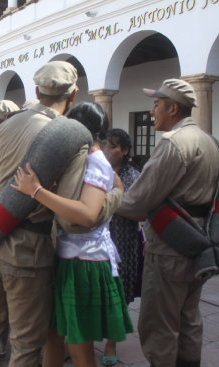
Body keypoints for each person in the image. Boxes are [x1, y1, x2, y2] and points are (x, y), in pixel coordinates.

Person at [0, 61, 79, 367]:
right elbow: (67, 210)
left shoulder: (7, 125)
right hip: (29, 245)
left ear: (37, 91)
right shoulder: (67, 134)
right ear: (73, 95)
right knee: (25, 340)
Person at [11, 103, 133, 367]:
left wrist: (37, 191)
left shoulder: (96, 162)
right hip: (67, 258)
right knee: (53, 337)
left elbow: (88, 214)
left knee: (79, 348)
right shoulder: (80, 159)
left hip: (85, 261)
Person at [116, 79, 219, 367]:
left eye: (157, 104)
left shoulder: (173, 143)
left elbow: (137, 201)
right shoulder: (208, 141)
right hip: (197, 241)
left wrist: (108, 199)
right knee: (188, 319)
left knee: (159, 324)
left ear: (173, 108)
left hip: (169, 246)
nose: (152, 111)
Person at [101, 128, 142, 365]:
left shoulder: (132, 176)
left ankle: (111, 344)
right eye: (106, 145)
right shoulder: (99, 171)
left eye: (113, 146)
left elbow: (141, 212)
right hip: (97, 240)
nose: (108, 151)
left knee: (118, 294)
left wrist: (108, 203)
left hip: (123, 241)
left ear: (125, 151)